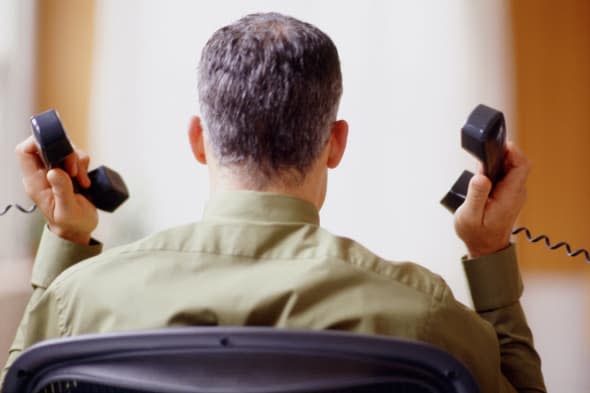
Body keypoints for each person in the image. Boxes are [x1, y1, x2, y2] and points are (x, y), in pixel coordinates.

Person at [2, 12, 545, 392]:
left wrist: (67, 240)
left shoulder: (83, 301)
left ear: (198, 139)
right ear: (335, 143)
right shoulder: (424, 313)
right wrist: (490, 246)